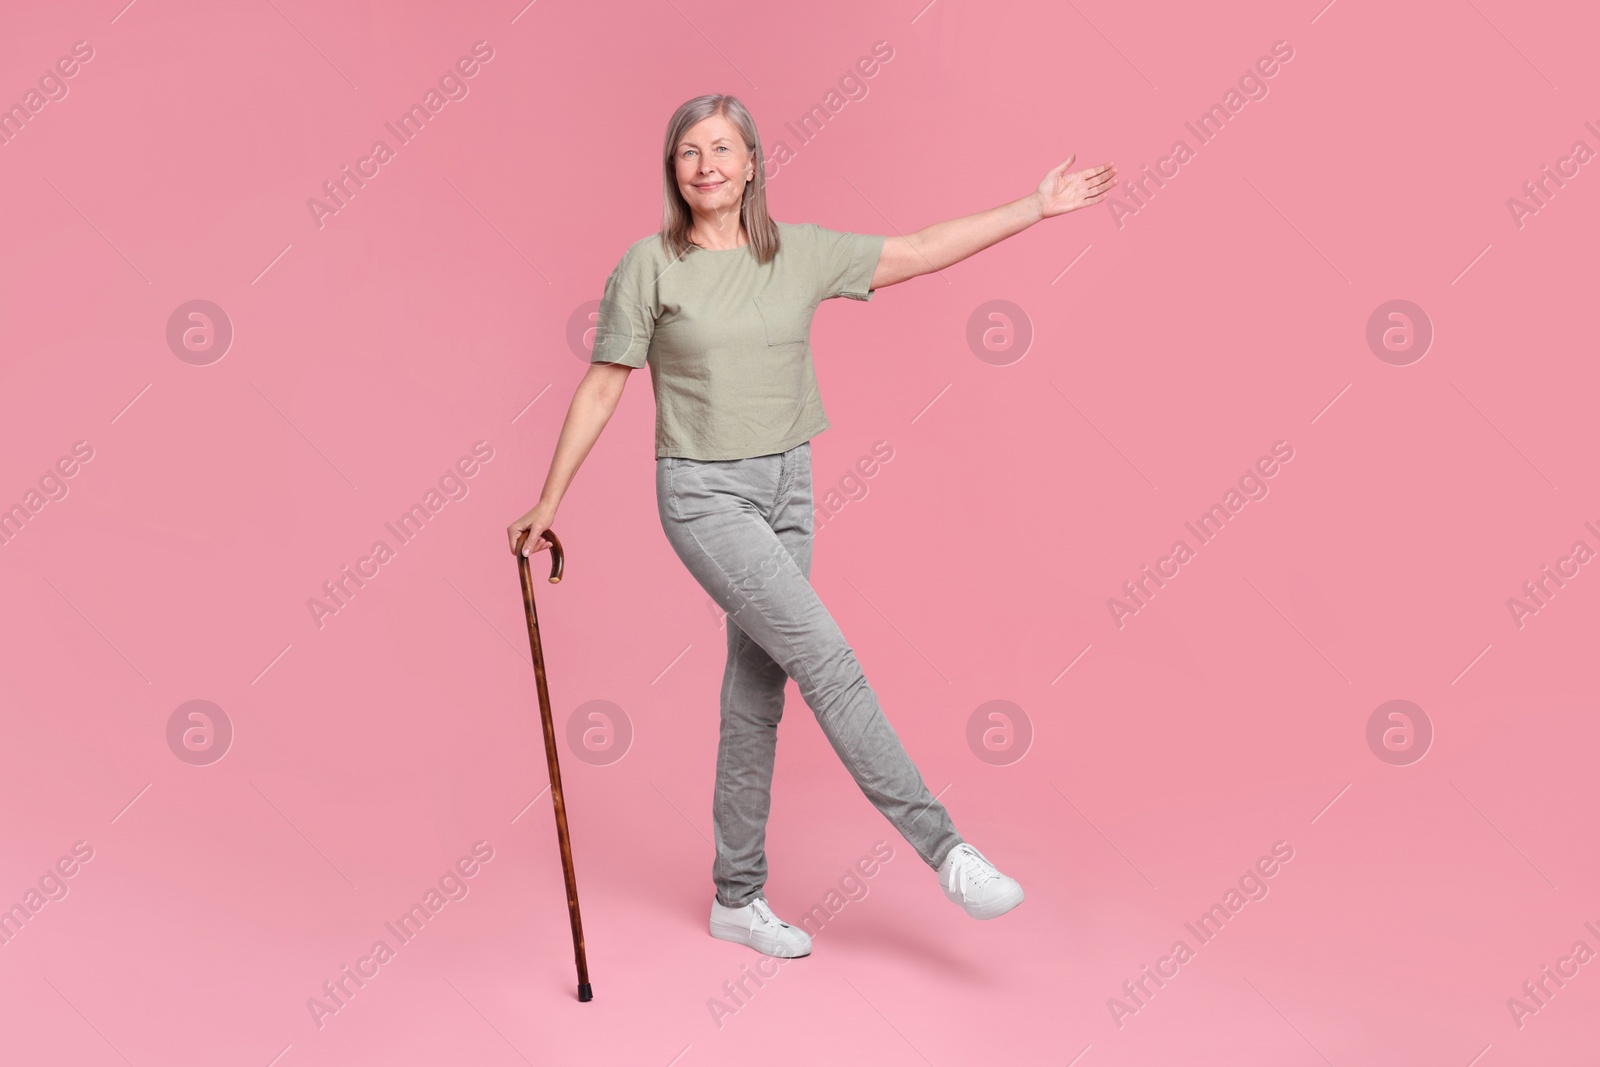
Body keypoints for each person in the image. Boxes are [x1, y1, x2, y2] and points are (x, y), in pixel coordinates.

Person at [507, 93, 1115, 959]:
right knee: (826, 658)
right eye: (688, 151)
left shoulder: (797, 253)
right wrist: (549, 500)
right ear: (673, 172)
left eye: (722, 147)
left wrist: (1035, 206)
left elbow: (918, 250)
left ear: (753, 161)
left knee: (758, 692)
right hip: (703, 496)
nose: (705, 163)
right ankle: (949, 852)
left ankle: (736, 896)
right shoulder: (649, 265)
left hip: (789, 485)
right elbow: (606, 382)